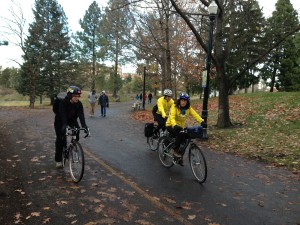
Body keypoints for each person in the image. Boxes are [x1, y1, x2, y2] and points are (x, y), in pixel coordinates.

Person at [53, 86, 89, 168]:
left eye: (78, 96)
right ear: (70, 95)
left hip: (72, 120)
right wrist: (65, 126)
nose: (77, 98)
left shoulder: (79, 104)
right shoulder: (63, 102)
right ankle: (58, 160)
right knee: (60, 139)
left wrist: (85, 126)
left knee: (77, 131)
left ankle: (72, 146)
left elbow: (81, 116)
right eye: (75, 96)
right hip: (60, 120)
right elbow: (63, 115)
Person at [166, 92, 204, 166]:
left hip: (181, 126)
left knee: (184, 142)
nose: (183, 102)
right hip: (171, 125)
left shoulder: (188, 108)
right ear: (179, 100)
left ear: (187, 102)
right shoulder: (174, 106)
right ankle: (175, 149)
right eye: (182, 100)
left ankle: (179, 158)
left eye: (185, 101)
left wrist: (201, 121)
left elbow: (195, 114)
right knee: (180, 135)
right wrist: (174, 125)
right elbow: (172, 117)